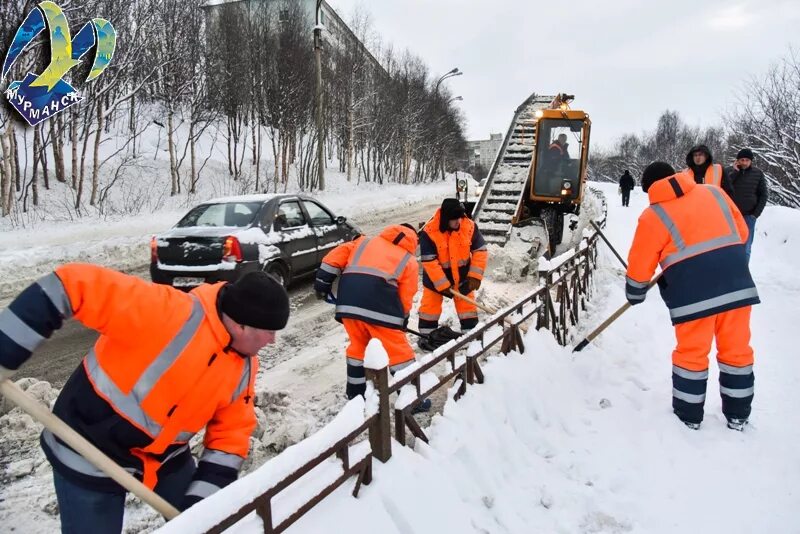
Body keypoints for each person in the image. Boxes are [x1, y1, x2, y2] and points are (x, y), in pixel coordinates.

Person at [0, 265, 289, 532]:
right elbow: (68, 285)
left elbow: (231, 435)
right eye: (270, 332)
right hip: (89, 450)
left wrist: (202, 507)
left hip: (163, 458)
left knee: (210, 522)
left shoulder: (243, 365)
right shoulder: (166, 311)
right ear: (241, 326)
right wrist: (5, 349)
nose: (273, 341)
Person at [625, 162, 759, 431]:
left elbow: (640, 264)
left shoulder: (653, 215)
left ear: (650, 187)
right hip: (737, 286)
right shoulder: (714, 193)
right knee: (737, 351)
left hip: (694, 298)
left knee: (692, 355)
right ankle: (738, 415)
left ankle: (689, 416)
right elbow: (741, 233)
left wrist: (635, 292)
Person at [314, 224, 421, 403]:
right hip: (383, 312)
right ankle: (413, 400)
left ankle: (356, 395)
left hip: (348, 307)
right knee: (399, 353)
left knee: (358, 347)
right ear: (412, 241)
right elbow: (406, 295)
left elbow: (333, 258)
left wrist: (322, 284)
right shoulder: (408, 261)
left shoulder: (363, 242)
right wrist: (402, 319)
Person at [418, 199, 488, 341]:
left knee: (467, 307)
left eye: (460, 218)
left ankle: (471, 333)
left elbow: (480, 250)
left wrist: (474, 276)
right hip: (435, 280)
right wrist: (442, 284)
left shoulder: (468, 226)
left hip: (462, 277)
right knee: (430, 307)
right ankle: (426, 335)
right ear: (445, 219)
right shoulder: (429, 232)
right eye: (454, 219)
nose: (458, 222)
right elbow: (429, 262)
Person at [727, 148, 768, 261]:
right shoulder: (729, 171)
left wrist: (755, 214)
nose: (744, 162)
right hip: (730, 217)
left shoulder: (758, 173)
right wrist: (735, 173)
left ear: (751, 161)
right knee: (729, 246)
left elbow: (763, 195)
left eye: (747, 160)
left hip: (748, 217)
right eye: (742, 160)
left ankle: (743, 275)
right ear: (737, 160)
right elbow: (724, 189)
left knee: (746, 247)